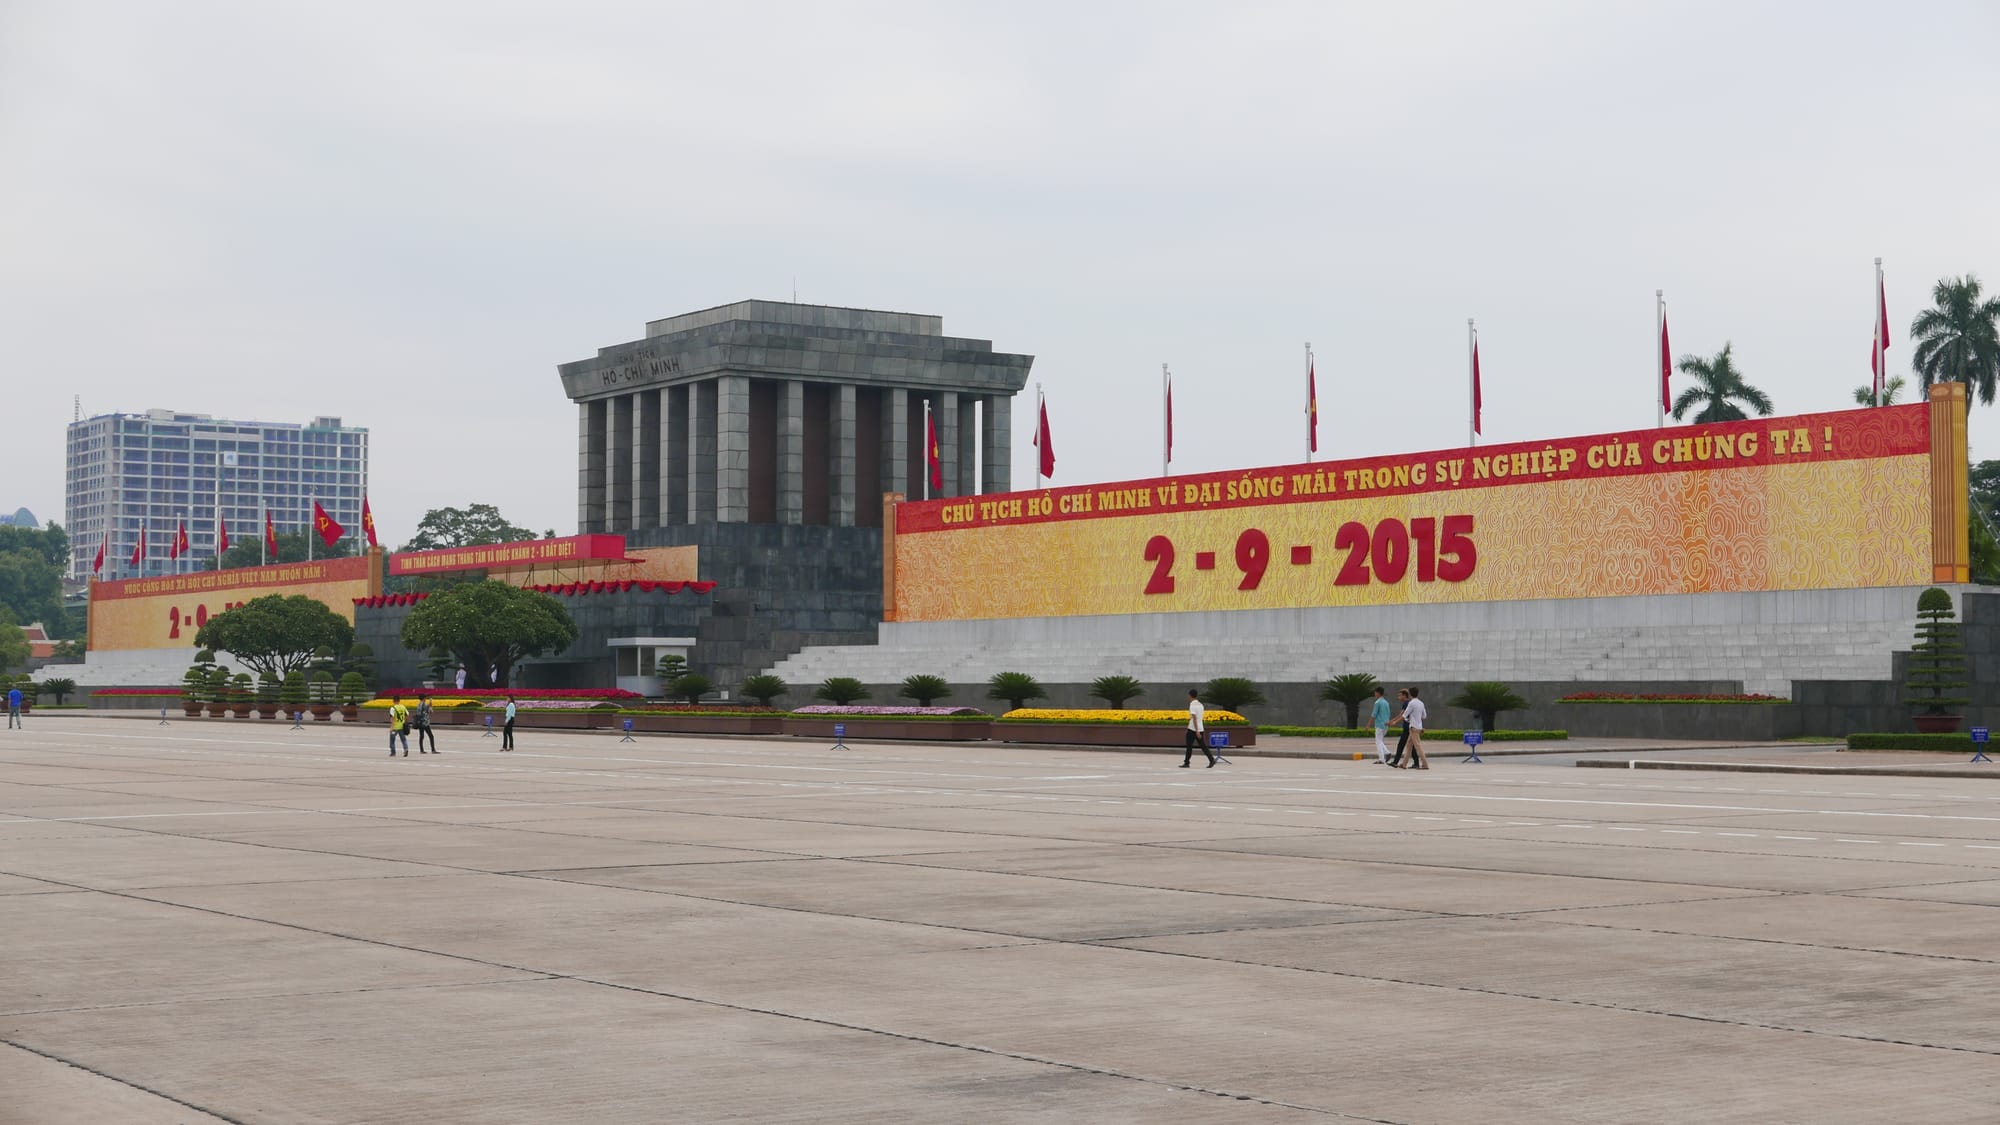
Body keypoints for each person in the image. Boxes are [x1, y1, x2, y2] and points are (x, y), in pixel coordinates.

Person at [1181, 687, 1217, 768]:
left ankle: (1187, 763)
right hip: (1200, 728)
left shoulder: (1192, 705)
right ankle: (1211, 760)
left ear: (1190, 696)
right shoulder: (1200, 705)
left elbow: (1194, 718)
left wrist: (1196, 731)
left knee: (1189, 746)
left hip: (1193, 729)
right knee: (1203, 746)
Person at [1400, 686, 1429, 769]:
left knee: (1418, 747)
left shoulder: (1411, 703)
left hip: (1413, 728)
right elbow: (1424, 716)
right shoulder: (1421, 703)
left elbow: (1405, 715)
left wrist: (1396, 721)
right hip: (1419, 727)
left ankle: (1425, 764)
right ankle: (1404, 764)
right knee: (1409, 746)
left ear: (1410, 694)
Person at [1386, 689, 1413, 767]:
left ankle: (1395, 762)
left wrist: (1393, 722)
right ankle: (1416, 763)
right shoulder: (1407, 703)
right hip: (1409, 727)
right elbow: (1400, 715)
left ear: (1404, 695)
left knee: (1401, 744)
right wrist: (1391, 721)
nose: (1398, 697)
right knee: (1412, 746)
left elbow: (1402, 715)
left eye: (1400, 695)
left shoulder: (1406, 704)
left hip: (1407, 727)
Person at [1370, 685, 1393, 765]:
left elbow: (1374, 714)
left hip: (1379, 724)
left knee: (1378, 741)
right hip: (1386, 724)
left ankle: (1381, 759)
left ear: (1378, 693)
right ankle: (1387, 753)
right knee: (1380, 741)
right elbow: (1388, 713)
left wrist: (1368, 724)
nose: (1374, 694)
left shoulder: (1377, 702)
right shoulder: (1386, 703)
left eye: (1375, 693)